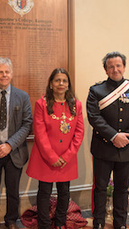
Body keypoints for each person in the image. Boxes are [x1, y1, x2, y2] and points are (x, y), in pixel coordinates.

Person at [86, 51, 129, 229]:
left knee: (122, 189)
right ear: (105, 69)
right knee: (100, 189)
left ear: (124, 67)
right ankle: (98, 222)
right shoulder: (96, 91)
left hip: (127, 149)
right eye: (111, 66)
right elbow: (94, 117)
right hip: (103, 149)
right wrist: (114, 136)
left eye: (118, 65)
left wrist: (126, 138)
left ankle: (120, 223)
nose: (115, 69)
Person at [26, 68, 85, 229]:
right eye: (57, 80)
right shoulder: (41, 104)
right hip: (45, 158)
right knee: (44, 192)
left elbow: (79, 132)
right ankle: (44, 224)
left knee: (64, 192)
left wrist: (67, 156)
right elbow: (40, 133)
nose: (61, 83)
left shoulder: (76, 105)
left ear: (68, 85)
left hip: (67, 158)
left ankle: (60, 223)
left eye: (64, 81)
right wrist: (52, 157)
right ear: (51, 84)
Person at [0, 58, 33, 229]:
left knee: (13, 191)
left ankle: (11, 220)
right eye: (0, 72)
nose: (4, 75)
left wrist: (9, 145)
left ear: (12, 74)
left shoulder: (22, 96)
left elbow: (27, 124)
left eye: (7, 72)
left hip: (14, 152)